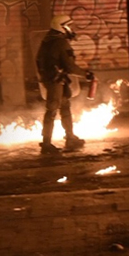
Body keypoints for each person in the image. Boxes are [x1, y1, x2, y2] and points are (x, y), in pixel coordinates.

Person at [35, 15, 88, 155]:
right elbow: (70, 66)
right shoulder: (60, 42)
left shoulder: (47, 40)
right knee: (52, 109)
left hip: (53, 79)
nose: (72, 29)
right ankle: (46, 144)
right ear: (62, 27)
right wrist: (86, 74)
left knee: (64, 106)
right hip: (55, 81)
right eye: (70, 25)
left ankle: (70, 137)